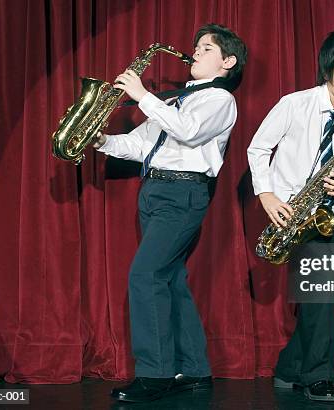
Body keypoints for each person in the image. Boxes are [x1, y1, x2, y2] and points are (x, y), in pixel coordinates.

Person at [93, 23, 247, 403]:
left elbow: (189, 132)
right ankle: (194, 370)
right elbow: (139, 144)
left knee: (145, 276)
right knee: (171, 280)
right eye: (197, 46)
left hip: (183, 192)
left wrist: (143, 94)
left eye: (207, 48)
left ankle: (155, 374)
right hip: (155, 191)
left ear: (227, 61)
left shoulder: (219, 100)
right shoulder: (178, 99)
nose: (196, 51)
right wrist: (100, 140)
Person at [247, 31, 334, 402]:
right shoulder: (294, 104)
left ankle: (294, 369)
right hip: (291, 213)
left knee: (322, 299)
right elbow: (258, 148)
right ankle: (313, 374)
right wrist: (267, 195)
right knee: (319, 299)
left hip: (329, 217)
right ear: (328, 69)